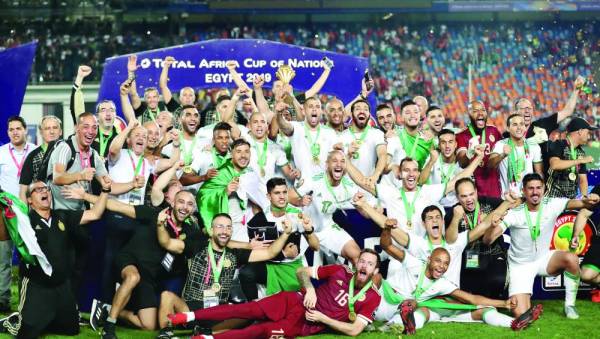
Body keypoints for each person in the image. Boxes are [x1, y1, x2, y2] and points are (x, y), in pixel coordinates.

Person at [166, 248, 382, 338]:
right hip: (294, 300)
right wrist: (309, 288)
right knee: (246, 309)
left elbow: (354, 330)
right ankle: (189, 316)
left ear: (375, 270)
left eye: (369, 264)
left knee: (262, 332)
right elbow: (301, 271)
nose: (364, 266)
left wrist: (323, 318)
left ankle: (207, 338)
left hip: (307, 322)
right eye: (362, 260)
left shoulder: (373, 297)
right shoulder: (339, 270)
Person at [156, 213, 295, 338]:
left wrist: (286, 234)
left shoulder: (235, 254)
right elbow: (166, 242)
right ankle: (166, 333)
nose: (224, 231)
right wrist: (160, 225)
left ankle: (206, 332)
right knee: (166, 296)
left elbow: (269, 253)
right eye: (220, 226)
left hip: (218, 313)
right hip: (189, 309)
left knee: (249, 312)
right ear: (211, 230)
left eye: (229, 227)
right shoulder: (196, 246)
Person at [0, 180, 109, 338]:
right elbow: (5, 235)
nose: (44, 192)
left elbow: (95, 214)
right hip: (36, 284)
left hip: (61, 284)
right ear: (29, 199)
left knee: (71, 329)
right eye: (38, 190)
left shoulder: (62, 216)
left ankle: (45, 317)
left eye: (46, 188)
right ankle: (12, 321)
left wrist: (105, 191)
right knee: (27, 332)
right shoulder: (25, 222)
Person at [483, 173, 600, 320]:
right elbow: (487, 241)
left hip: (544, 260)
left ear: (544, 189)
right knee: (520, 314)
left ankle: (569, 305)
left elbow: (581, 204)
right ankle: (525, 303)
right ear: (524, 191)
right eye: (530, 188)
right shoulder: (514, 213)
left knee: (571, 258)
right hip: (521, 266)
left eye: (538, 188)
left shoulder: (551, 204)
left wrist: (591, 200)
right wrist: (491, 227)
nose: (535, 192)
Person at [375, 246, 540, 335]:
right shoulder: (415, 265)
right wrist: (388, 228)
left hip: (443, 309)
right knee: (421, 310)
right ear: (429, 259)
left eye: (446, 263)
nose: (442, 266)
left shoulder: (444, 283)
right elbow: (388, 245)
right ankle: (402, 325)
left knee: (486, 309)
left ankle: (513, 323)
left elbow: (471, 299)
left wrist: (503, 303)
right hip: (407, 305)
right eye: (438, 261)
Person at [347, 155, 482, 237]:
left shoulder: (428, 192)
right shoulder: (390, 192)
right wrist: (344, 159)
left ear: (419, 174)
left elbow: (457, 181)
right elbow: (361, 180)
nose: (411, 174)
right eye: (406, 170)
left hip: (423, 253)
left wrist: (478, 158)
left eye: (415, 170)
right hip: (398, 254)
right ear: (400, 173)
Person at [239, 177, 319, 301]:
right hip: (271, 266)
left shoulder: (298, 214)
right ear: (269, 196)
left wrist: (309, 230)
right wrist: (283, 253)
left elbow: (315, 247)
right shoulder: (260, 219)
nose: (282, 197)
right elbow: (256, 253)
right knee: (246, 273)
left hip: (295, 266)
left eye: (284, 192)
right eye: (277, 193)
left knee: (302, 305)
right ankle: (254, 308)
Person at [293, 150, 363, 265]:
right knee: (300, 273)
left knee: (357, 256)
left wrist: (371, 207)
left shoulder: (349, 186)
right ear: (326, 165)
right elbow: (289, 197)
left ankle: (353, 283)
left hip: (327, 228)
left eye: (342, 161)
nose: (339, 164)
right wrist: (300, 201)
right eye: (334, 161)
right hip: (303, 228)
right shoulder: (313, 180)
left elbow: (363, 207)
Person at [445, 178, 508, 298]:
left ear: (476, 192)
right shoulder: (453, 213)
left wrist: (510, 200)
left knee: (498, 280)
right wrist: (456, 218)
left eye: (471, 194)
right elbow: (450, 241)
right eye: (463, 196)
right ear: (457, 197)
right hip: (469, 258)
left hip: (494, 253)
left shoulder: (490, 203)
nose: (469, 199)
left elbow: (513, 203)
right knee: (472, 291)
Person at [197, 138, 266, 240]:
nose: (243, 155)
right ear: (231, 154)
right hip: (228, 228)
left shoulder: (251, 173)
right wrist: (225, 192)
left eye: (246, 151)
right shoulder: (220, 173)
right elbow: (202, 195)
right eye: (238, 152)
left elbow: (259, 201)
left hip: (250, 224)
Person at [0, 115, 35, 312]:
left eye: (18, 128)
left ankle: (27, 299)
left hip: (29, 212)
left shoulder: (36, 151)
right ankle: (3, 299)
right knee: (3, 257)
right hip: (5, 212)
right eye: (11, 129)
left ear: (25, 130)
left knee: (27, 257)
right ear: (8, 133)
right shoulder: (1, 153)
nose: (15, 132)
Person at [276, 96, 339, 180]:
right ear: (304, 111)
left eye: (317, 107)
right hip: (303, 183)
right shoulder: (296, 127)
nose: (314, 109)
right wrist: (279, 114)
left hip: (325, 184)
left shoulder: (330, 132)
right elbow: (284, 126)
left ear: (321, 111)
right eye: (310, 107)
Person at [340, 99, 387, 198]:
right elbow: (337, 165)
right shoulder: (341, 137)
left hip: (369, 191)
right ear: (352, 114)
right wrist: (348, 154)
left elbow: (382, 155)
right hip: (346, 194)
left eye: (365, 109)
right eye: (357, 109)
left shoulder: (376, 134)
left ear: (369, 115)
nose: (362, 111)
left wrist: (375, 175)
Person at [488, 114, 543, 197]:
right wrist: (503, 155)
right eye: (515, 125)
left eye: (521, 124)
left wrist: (540, 193)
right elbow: (490, 165)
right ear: (508, 128)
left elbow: (539, 174)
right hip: (508, 199)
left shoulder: (533, 146)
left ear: (525, 127)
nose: (519, 128)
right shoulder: (501, 144)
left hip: (528, 197)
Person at [456, 100, 502, 198]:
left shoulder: (493, 131)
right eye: (475, 111)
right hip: (472, 192)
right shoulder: (461, 135)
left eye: (483, 110)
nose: (480, 113)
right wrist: (470, 152)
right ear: (469, 114)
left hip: (494, 190)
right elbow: (462, 163)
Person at [546, 117, 596, 198]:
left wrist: (584, 198)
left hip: (571, 201)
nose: (589, 137)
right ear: (580, 131)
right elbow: (554, 164)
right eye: (587, 133)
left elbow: (582, 180)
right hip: (553, 198)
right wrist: (579, 161)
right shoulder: (559, 144)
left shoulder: (580, 152)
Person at [19, 115, 62, 203]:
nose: (52, 131)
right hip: (41, 207)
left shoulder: (71, 151)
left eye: (55, 128)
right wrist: (25, 214)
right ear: (41, 132)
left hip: (67, 206)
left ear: (60, 131)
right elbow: (23, 189)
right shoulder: (33, 156)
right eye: (47, 128)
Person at [159, 56, 197, 130]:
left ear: (194, 98)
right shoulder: (174, 108)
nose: (188, 98)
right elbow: (163, 86)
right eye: (185, 95)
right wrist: (166, 66)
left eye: (190, 95)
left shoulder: (200, 114)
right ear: (180, 98)